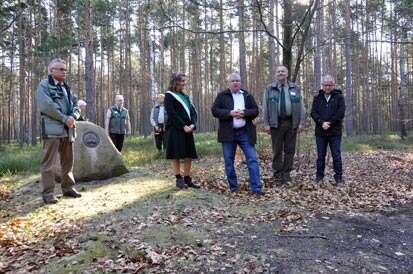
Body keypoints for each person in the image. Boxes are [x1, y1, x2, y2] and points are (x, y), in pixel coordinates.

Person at [35, 58, 82, 204]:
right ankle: (48, 193)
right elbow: (47, 106)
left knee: (68, 161)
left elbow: (76, 104)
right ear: (51, 71)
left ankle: (68, 187)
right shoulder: (44, 86)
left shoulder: (66, 87)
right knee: (49, 164)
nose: (64, 72)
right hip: (53, 130)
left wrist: (74, 116)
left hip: (68, 130)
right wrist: (64, 118)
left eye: (65, 69)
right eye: (61, 69)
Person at [212, 73, 265, 195]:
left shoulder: (247, 95)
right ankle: (234, 187)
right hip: (228, 134)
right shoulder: (222, 96)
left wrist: (244, 113)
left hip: (245, 133)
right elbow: (215, 110)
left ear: (240, 82)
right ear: (229, 83)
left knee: (252, 159)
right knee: (229, 161)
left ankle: (256, 187)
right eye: (233, 81)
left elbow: (255, 111)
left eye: (237, 81)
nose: (235, 83)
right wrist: (229, 113)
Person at [262, 65, 305, 186]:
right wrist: (266, 123)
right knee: (277, 151)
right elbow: (265, 107)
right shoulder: (270, 89)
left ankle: (286, 176)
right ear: (276, 74)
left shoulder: (295, 88)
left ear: (287, 74)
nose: (280, 73)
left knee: (290, 151)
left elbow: (301, 106)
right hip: (276, 123)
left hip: (291, 123)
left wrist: (301, 122)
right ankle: (277, 176)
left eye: (283, 71)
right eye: (278, 71)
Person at [164, 73, 200, 189]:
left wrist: (192, 125)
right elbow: (171, 113)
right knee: (176, 154)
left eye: (184, 81)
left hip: (188, 130)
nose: (184, 83)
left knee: (188, 154)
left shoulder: (185, 96)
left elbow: (193, 112)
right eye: (182, 81)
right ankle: (178, 178)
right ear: (175, 82)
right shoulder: (169, 96)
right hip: (175, 129)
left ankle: (187, 178)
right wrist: (183, 126)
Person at [311, 75, 346, 184]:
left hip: (335, 132)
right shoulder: (317, 98)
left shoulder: (339, 97)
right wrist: (322, 123)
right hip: (320, 132)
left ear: (333, 85)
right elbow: (313, 113)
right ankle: (319, 176)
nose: (327, 87)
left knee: (336, 155)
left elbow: (340, 113)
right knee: (320, 155)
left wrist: (330, 123)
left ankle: (338, 177)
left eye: (330, 85)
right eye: (325, 85)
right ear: (322, 86)